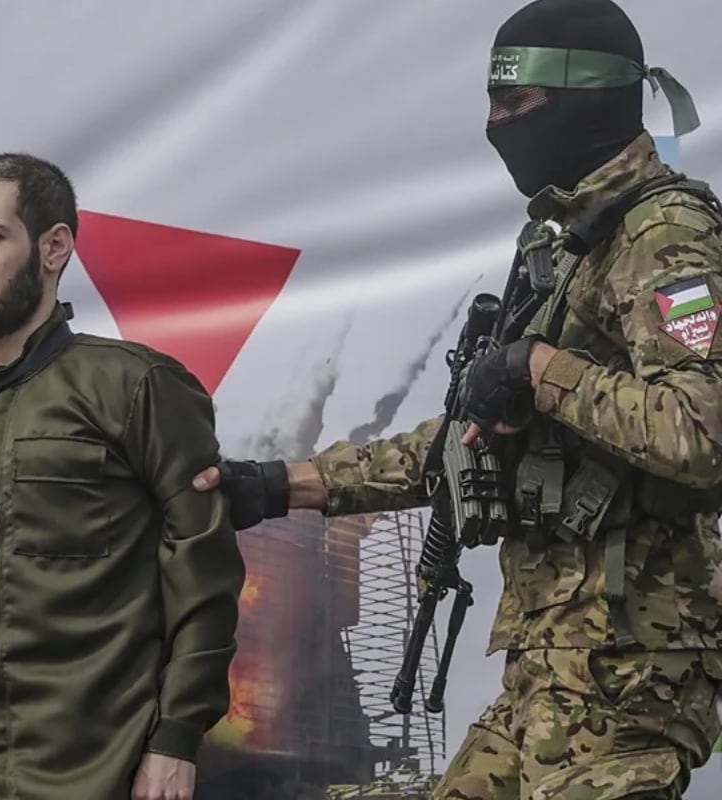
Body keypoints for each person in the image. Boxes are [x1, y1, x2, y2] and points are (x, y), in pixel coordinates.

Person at [194, 1, 722, 798]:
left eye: (514, 103)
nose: (494, 124)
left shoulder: (666, 234)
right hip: (552, 670)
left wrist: (540, 366)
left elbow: (699, 432)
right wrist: (281, 486)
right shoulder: (567, 243)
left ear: (588, 100)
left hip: (629, 678)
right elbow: (467, 440)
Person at [0, 152, 244, 800]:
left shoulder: (135, 387)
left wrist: (176, 737)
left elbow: (203, 576)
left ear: (54, 247)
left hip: (103, 777)